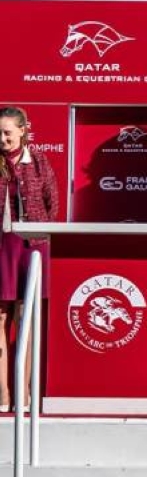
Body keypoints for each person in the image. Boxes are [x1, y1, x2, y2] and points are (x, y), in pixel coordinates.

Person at [0, 107, 59, 411]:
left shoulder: (38, 161)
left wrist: (39, 237)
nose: (2, 138)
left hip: (31, 249)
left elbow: (53, 203)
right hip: (1, 247)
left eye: (7, 132)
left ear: (23, 131)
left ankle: (23, 395)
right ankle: (3, 395)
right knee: (0, 320)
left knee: (25, 321)